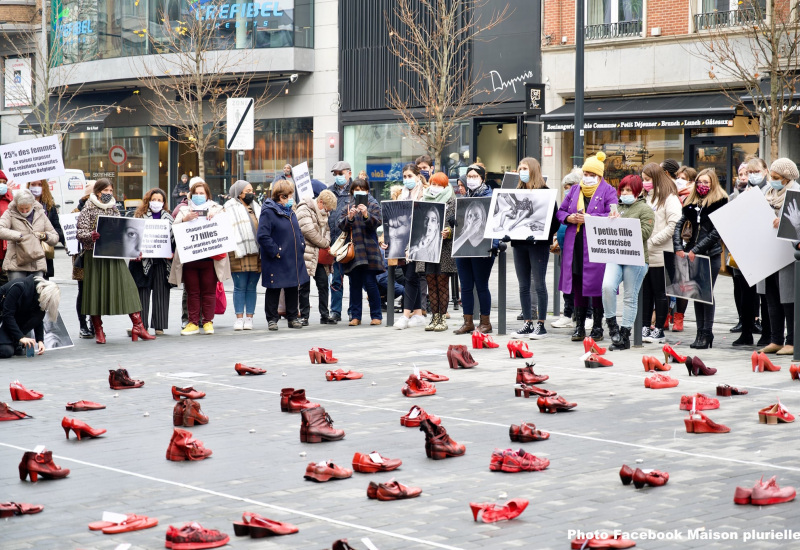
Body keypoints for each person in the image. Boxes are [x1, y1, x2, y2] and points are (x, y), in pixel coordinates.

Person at [76, 178, 155, 344]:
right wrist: (90, 236)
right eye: (105, 191)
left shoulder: (113, 208)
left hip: (114, 254)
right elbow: (79, 233)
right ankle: (98, 330)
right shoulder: (88, 209)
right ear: (97, 192)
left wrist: (133, 249)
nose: (109, 194)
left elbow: (122, 229)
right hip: (95, 257)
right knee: (95, 292)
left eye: (111, 191)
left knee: (128, 288)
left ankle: (138, 326)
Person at [557, 152, 618, 342]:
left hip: (597, 245)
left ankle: (598, 326)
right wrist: (569, 218)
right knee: (577, 284)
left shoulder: (609, 191)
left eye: (592, 174)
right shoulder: (575, 190)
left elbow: (613, 216)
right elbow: (560, 211)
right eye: (585, 173)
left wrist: (590, 219)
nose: (588, 177)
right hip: (575, 244)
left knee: (597, 285)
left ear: (600, 176)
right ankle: (580, 326)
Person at [672, 168, 728, 350]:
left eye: (706, 182)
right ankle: (699, 332)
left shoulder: (720, 201)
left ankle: (706, 333)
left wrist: (696, 249)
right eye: (699, 182)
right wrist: (678, 247)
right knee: (696, 294)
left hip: (710, 254)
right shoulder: (691, 201)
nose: (702, 185)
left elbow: (716, 232)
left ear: (713, 183)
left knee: (706, 294)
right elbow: (680, 224)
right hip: (691, 254)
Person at [170, 179, 231, 336]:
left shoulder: (217, 208)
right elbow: (174, 230)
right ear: (191, 195)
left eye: (201, 193)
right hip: (190, 260)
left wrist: (215, 215)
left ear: (207, 195)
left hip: (210, 260)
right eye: (195, 193)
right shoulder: (184, 210)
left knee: (209, 292)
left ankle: (208, 322)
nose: (198, 196)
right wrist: (184, 220)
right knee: (192, 292)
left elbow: (226, 226)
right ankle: (192, 322)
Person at [602, 175, 654, 350]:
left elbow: (645, 233)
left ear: (637, 191)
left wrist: (621, 225)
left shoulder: (645, 209)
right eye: (622, 189)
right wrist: (611, 222)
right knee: (607, 287)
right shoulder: (617, 207)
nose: (624, 193)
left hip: (636, 257)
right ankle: (613, 328)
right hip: (616, 255)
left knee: (630, 297)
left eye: (628, 190)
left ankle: (624, 337)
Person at [511, 158, 559, 339]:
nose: (522, 171)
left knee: (539, 284)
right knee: (523, 285)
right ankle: (527, 323)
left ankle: (541, 325)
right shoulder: (516, 192)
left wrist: (542, 233)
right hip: (519, 243)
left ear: (533, 170)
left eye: (525, 168)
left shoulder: (545, 193)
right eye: (520, 168)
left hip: (538, 244)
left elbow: (554, 221)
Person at [758, 158, 800, 355]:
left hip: (788, 256)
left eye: (777, 178)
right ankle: (776, 339)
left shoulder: (796, 194)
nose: (772, 181)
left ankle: (792, 340)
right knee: (771, 298)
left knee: (789, 298)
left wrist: (784, 223)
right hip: (768, 253)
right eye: (771, 176)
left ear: (787, 178)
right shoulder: (766, 194)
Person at [257, 179, 308, 330]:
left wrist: (301, 244)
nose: (291, 198)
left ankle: (292, 317)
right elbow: (263, 236)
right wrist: (276, 251)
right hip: (277, 258)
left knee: (292, 287)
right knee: (274, 288)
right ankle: (272, 319)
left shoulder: (290, 211)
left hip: (292, 257)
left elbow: (297, 231)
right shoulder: (268, 212)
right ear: (281, 196)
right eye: (289, 195)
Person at [452, 164, 497, 335]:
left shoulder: (490, 196)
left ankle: (485, 322)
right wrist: (454, 223)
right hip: (465, 248)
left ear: (482, 178)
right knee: (465, 286)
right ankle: (468, 321)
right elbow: (462, 224)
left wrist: (494, 243)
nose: (471, 179)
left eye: (474, 176)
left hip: (483, 247)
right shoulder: (464, 196)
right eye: (468, 176)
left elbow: (496, 221)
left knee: (481, 285)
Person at [640, 163, 681, 344]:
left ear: (656, 179)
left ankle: (659, 330)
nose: (644, 183)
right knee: (646, 292)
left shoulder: (669, 198)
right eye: (643, 179)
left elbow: (673, 225)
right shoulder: (645, 197)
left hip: (661, 252)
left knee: (660, 292)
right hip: (645, 253)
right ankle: (644, 325)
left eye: (647, 180)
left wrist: (653, 241)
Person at [730, 157, 769, 346]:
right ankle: (745, 332)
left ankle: (767, 334)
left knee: (765, 295)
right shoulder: (739, 193)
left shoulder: (769, 191)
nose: (751, 176)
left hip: (764, 250)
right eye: (748, 173)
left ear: (765, 171)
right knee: (745, 294)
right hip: (744, 250)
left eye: (755, 172)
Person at [338, 178, 383, 326]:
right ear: (352, 191)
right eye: (356, 189)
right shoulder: (348, 205)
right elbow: (340, 225)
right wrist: (349, 217)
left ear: (367, 190)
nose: (359, 191)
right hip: (354, 251)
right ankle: (355, 316)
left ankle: (376, 315)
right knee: (354, 283)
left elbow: (377, 223)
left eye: (362, 189)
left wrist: (366, 214)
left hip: (369, 250)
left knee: (370, 283)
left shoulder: (373, 204)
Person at [129, 189, 173, 336]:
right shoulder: (138, 216)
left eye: (160, 200)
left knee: (161, 292)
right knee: (142, 293)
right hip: (142, 262)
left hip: (161, 261)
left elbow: (174, 240)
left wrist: (172, 253)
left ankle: (159, 326)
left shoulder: (169, 218)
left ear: (164, 203)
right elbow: (131, 238)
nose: (157, 202)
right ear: (148, 200)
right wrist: (134, 252)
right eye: (154, 199)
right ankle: (141, 325)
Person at [416, 172, 456, 331]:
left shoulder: (452, 201)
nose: (435, 188)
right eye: (433, 184)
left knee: (442, 282)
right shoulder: (422, 201)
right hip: (426, 249)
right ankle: (434, 317)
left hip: (444, 249)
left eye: (440, 185)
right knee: (430, 281)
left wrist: (449, 231)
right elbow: (417, 224)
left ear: (445, 186)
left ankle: (443, 317)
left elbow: (456, 224)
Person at [224, 180, 262, 331]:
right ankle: (239, 318)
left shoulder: (257, 207)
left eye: (252, 190)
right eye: (248, 190)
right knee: (240, 286)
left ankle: (249, 318)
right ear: (240, 193)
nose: (252, 193)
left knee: (252, 286)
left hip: (256, 251)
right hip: (238, 251)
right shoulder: (228, 207)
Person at [393, 164, 427, 330]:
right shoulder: (402, 195)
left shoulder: (424, 193)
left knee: (411, 278)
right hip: (405, 241)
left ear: (418, 176)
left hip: (420, 240)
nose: (407, 180)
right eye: (405, 176)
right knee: (411, 276)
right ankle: (419, 313)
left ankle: (406, 315)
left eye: (410, 176)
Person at [550, 169, 584, 329]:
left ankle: (585, 314)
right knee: (566, 283)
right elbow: (560, 216)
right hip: (565, 248)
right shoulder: (567, 201)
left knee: (582, 282)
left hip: (579, 248)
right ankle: (568, 313)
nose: (567, 189)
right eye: (565, 186)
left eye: (570, 185)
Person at [0, 190, 59, 281]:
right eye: (21, 208)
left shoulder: (40, 214)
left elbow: (55, 237)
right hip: (16, 263)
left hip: (37, 263)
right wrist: (18, 236)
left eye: (27, 208)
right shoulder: (10, 213)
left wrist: (45, 236)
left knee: (36, 293)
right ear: (16, 204)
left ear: (32, 204)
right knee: (17, 293)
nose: (24, 211)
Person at [297, 189, 336, 325]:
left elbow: (328, 231)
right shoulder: (304, 209)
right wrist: (325, 243)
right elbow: (308, 231)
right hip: (306, 253)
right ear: (320, 202)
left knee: (323, 284)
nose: (327, 211)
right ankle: (304, 316)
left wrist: (326, 242)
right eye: (326, 208)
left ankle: (324, 315)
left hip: (319, 255)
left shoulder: (324, 213)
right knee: (304, 286)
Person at [0, 275, 60, 358]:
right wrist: (20, 337)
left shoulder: (37, 294)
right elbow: (8, 315)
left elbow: (38, 318)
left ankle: (13, 342)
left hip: (10, 319)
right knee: (6, 351)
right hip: (4, 315)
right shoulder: (19, 287)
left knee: (9, 349)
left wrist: (40, 341)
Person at [327, 161, 353, 323]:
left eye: (340, 173)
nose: (338, 176)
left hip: (351, 242)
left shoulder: (356, 191)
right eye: (335, 174)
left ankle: (354, 311)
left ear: (349, 173)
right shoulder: (329, 191)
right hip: (334, 243)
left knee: (355, 279)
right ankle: (335, 311)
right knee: (336, 279)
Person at [72, 181, 95, 339]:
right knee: (83, 291)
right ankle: (83, 325)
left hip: (98, 257)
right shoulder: (76, 211)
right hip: (80, 258)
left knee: (96, 291)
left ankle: (94, 323)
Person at [28, 180, 64, 279]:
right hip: (26, 252)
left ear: (44, 187)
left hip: (43, 254)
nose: (36, 187)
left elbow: (58, 231)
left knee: (41, 287)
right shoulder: (21, 205)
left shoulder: (49, 207)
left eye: (39, 185)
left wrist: (45, 235)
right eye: (33, 184)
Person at [0, 170, 14, 286]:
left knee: (5, 281)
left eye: (4, 182)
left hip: (6, 247)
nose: (2, 185)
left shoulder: (10, 200)